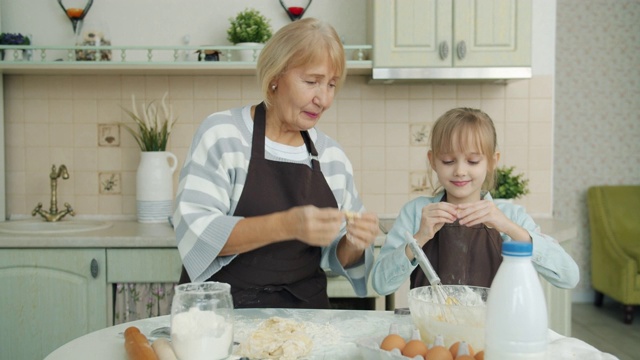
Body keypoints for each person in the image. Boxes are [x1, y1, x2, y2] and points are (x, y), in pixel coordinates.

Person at [173, 18, 379, 309]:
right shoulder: (223, 134)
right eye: (311, 82)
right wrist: (287, 224)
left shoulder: (332, 156)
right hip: (223, 314)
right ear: (275, 76)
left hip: (306, 318)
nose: (323, 99)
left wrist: (355, 243)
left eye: (331, 85)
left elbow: (340, 257)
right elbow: (200, 231)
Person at [371, 107, 579, 296]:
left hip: (493, 330)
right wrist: (420, 237)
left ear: (492, 162)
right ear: (433, 161)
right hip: (432, 333)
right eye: (448, 161)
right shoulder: (416, 212)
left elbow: (569, 277)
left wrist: (509, 228)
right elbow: (380, 284)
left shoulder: (510, 216)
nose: (460, 171)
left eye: (472, 161)